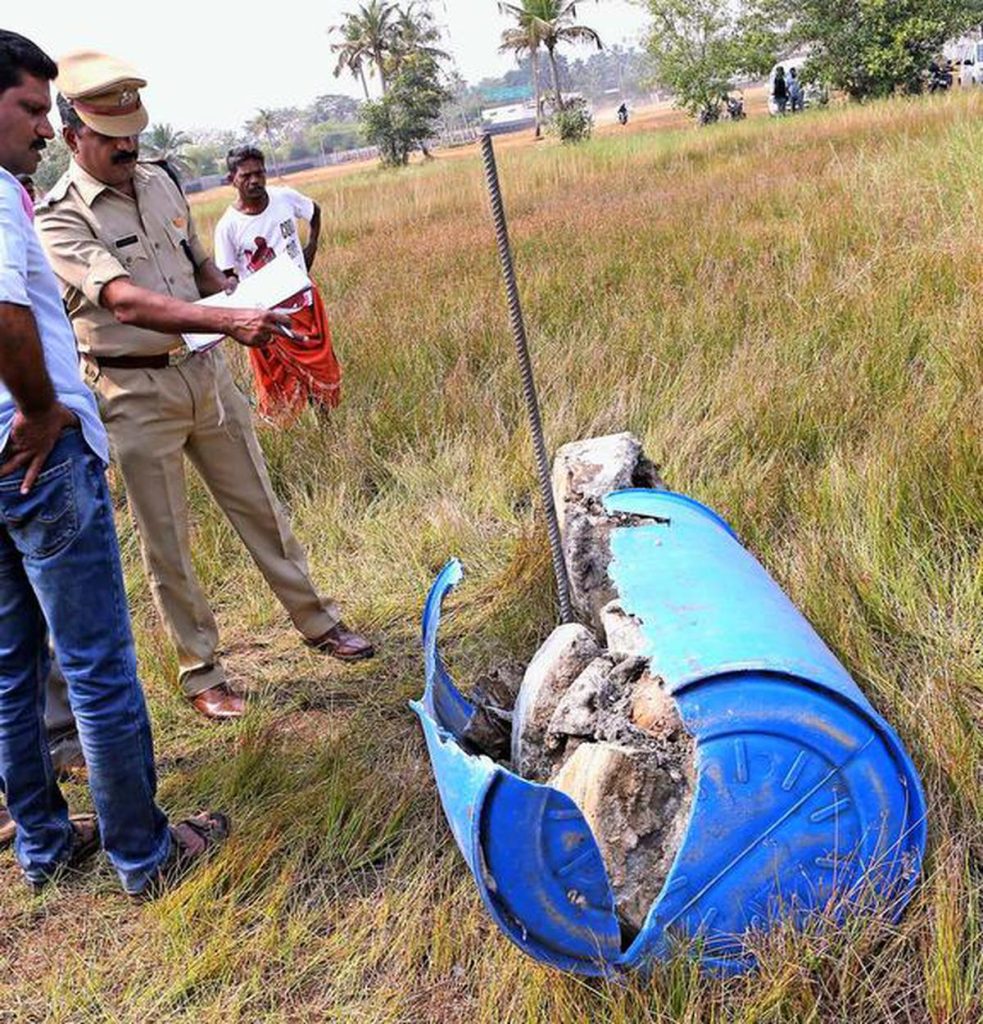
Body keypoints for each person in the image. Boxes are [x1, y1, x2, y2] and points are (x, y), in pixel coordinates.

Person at [36, 52, 374, 722]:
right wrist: (229, 317)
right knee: (169, 541)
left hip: (204, 373)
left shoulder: (161, 180)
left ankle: (319, 623)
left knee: (259, 505)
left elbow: (199, 273)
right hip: (132, 393)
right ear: (73, 135)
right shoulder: (59, 217)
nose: (127, 148)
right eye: (110, 139)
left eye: (133, 134)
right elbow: (126, 302)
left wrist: (256, 294)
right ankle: (204, 674)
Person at [0, 30, 228, 896]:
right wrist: (39, 408)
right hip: (37, 454)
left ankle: (46, 846)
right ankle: (144, 851)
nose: (43, 129)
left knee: (11, 666)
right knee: (95, 663)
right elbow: (7, 314)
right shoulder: (5, 197)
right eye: (28, 109)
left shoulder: (156, 182)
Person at [213, 146, 342, 419]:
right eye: (246, 175)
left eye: (260, 173)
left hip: (302, 303)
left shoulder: (285, 198)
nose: (255, 181)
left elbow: (314, 211)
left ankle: (326, 425)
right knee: (276, 382)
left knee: (318, 370)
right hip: (267, 316)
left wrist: (311, 248)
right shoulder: (228, 226)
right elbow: (228, 275)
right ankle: (287, 436)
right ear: (231, 180)